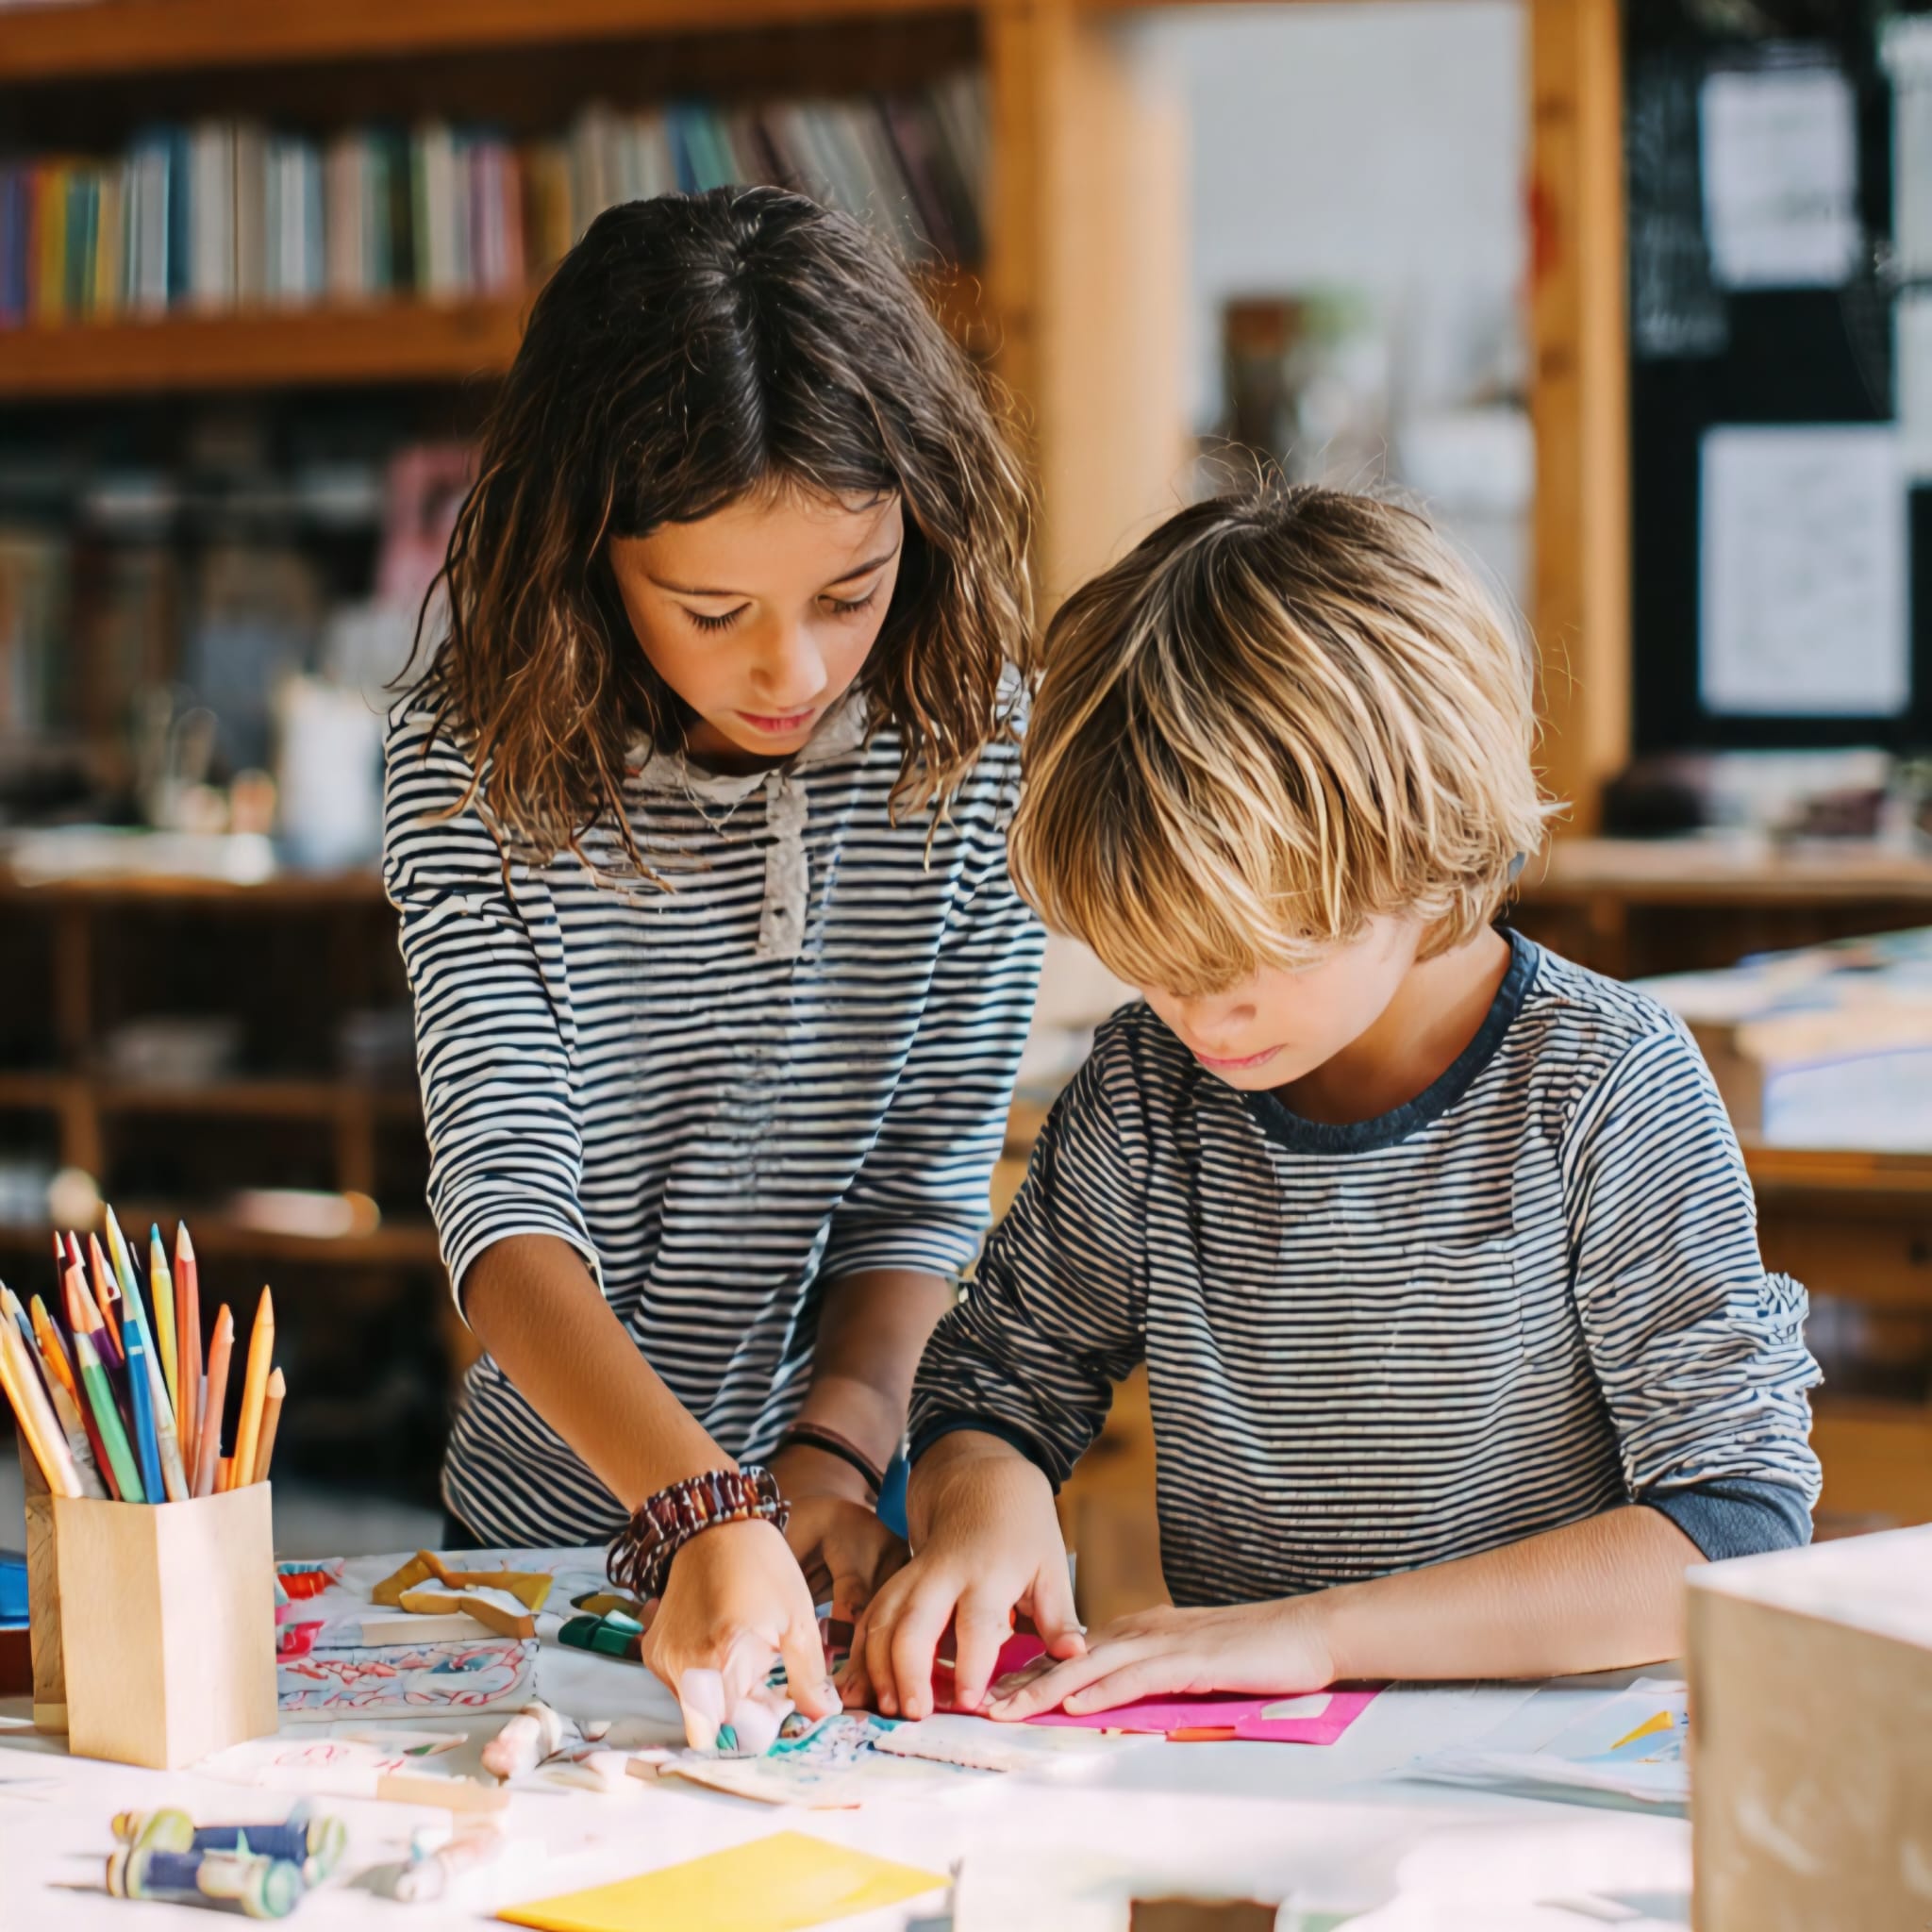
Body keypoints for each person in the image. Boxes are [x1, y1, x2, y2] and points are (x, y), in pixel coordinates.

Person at [854, 484, 1821, 1723]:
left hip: (1559, 1776)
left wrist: (1319, 1636)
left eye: (1249, 959)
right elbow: (992, 1384)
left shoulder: (1603, 1084)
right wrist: (984, 1494)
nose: (1201, 1020)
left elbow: (1732, 1528)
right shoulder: (1148, 1091)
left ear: (1424, 847)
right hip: (1261, 1763)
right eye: (1155, 960)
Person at [381, 187, 1041, 1727]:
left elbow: (922, 1182)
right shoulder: (468, 760)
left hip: (826, 1512)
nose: (793, 668)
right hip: (550, 1531)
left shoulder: (973, 738)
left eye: (848, 594)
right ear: (590, 555)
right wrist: (696, 1508)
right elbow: (505, 1211)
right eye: (713, 607)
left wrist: (824, 1458)